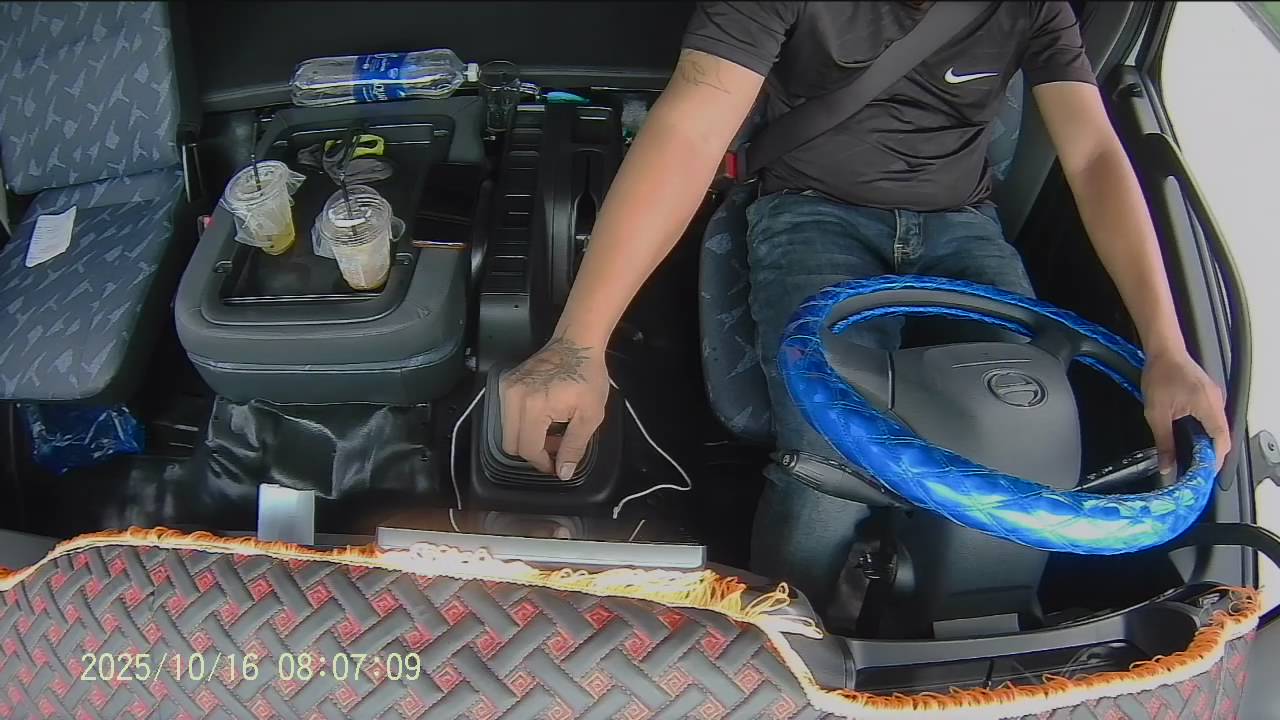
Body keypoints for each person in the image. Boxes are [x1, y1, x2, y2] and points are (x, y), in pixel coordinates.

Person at [497, 1, 1231, 608]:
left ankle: (979, 628)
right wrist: (578, 343)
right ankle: (789, 633)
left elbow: (1095, 154)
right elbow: (690, 129)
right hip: (810, 209)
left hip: (963, 224)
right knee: (830, 451)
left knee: (1026, 433)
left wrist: (1167, 349)